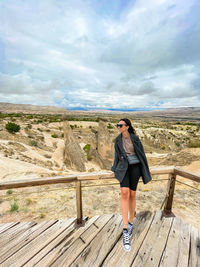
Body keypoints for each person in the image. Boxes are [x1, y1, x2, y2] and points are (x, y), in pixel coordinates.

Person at [111, 118, 152, 252]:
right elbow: (116, 156)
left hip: (136, 168)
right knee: (124, 193)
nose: (118, 127)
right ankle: (125, 229)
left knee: (133, 194)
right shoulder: (117, 140)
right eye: (118, 125)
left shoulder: (135, 138)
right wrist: (114, 168)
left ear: (127, 126)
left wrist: (145, 169)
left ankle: (131, 222)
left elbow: (142, 154)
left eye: (121, 125)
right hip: (123, 168)